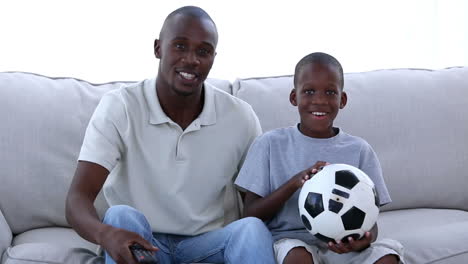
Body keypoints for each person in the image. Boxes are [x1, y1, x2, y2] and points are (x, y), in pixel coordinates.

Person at [65, 6, 275, 264]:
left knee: (251, 230)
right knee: (120, 215)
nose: (191, 59)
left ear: (213, 57)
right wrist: (105, 234)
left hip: (209, 246)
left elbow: (257, 207)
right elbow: (78, 198)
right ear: (157, 48)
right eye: (180, 46)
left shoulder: (241, 117)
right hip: (141, 244)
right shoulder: (121, 106)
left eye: (203, 51)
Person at [235, 52, 404, 264]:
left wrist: (361, 241)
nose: (320, 100)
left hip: (340, 247)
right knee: (298, 257)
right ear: (294, 97)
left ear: (342, 100)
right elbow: (250, 215)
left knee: (387, 258)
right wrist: (295, 183)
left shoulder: (359, 150)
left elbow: (370, 221)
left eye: (330, 92)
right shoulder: (269, 144)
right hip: (291, 243)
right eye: (309, 91)